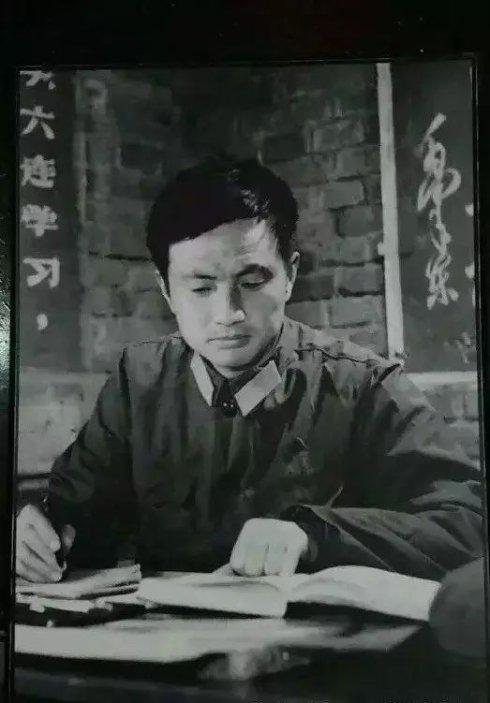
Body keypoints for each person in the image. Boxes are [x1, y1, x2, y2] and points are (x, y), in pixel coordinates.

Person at [16, 156, 483, 584]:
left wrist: (315, 535)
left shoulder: (365, 386)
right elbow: (72, 515)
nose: (229, 314)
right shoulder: (138, 381)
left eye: (253, 282)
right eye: (201, 288)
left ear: (290, 276)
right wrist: (37, 536)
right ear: (166, 291)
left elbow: (468, 525)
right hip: (166, 642)